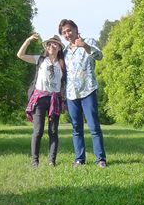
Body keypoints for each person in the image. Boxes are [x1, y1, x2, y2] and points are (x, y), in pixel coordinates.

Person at [58, 19, 107, 168]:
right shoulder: (65, 52)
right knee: (76, 128)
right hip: (72, 94)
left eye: (69, 30)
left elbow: (99, 56)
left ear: (75, 29)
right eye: (64, 32)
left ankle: (100, 159)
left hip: (88, 90)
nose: (67, 34)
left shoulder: (89, 41)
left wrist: (84, 46)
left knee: (94, 127)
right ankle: (79, 159)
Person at [17, 32, 66, 167]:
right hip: (39, 99)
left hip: (54, 100)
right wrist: (28, 40)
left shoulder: (62, 64)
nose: (52, 46)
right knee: (38, 131)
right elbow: (20, 55)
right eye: (50, 44)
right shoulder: (40, 59)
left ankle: (52, 160)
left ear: (59, 48)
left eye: (55, 44)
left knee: (53, 131)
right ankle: (35, 161)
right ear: (46, 46)